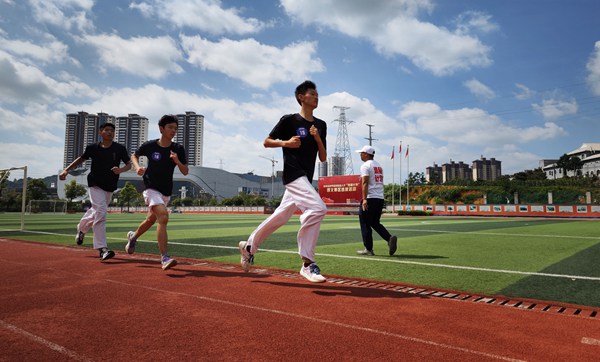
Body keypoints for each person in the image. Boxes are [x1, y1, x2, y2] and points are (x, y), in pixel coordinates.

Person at [239, 80, 328, 283]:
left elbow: (323, 157)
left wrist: (317, 139)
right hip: (293, 175)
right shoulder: (289, 121)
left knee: (280, 217)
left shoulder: (321, 125)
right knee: (318, 208)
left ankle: (249, 247)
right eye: (312, 93)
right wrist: (285, 143)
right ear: (301, 97)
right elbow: (266, 141)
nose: (316, 96)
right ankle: (308, 264)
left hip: (305, 177)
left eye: (317, 94)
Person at [59, 122, 131, 261]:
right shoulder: (92, 148)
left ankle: (81, 228)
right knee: (101, 212)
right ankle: (102, 248)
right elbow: (81, 159)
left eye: (112, 131)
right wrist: (66, 170)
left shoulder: (119, 148)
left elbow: (129, 164)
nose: (110, 132)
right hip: (95, 184)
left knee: (96, 211)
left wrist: (120, 170)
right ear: (100, 133)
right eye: (107, 130)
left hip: (110, 185)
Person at [125, 115, 189, 271]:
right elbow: (134, 155)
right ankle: (165, 257)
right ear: (161, 129)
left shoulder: (178, 149)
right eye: (170, 128)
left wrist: (177, 161)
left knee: (150, 221)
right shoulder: (150, 146)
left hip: (166, 191)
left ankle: (133, 237)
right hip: (150, 187)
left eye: (175, 128)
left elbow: (186, 171)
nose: (173, 131)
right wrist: (136, 166)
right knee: (163, 217)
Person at [355, 145, 397, 256]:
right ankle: (389, 238)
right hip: (379, 198)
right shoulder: (378, 165)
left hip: (370, 197)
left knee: (364, 222)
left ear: (366, 154)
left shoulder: (365, 166)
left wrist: (364, 199)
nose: (360, 154)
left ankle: (368, 249)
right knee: (374, 222)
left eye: (362, 153)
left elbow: (365, 182)